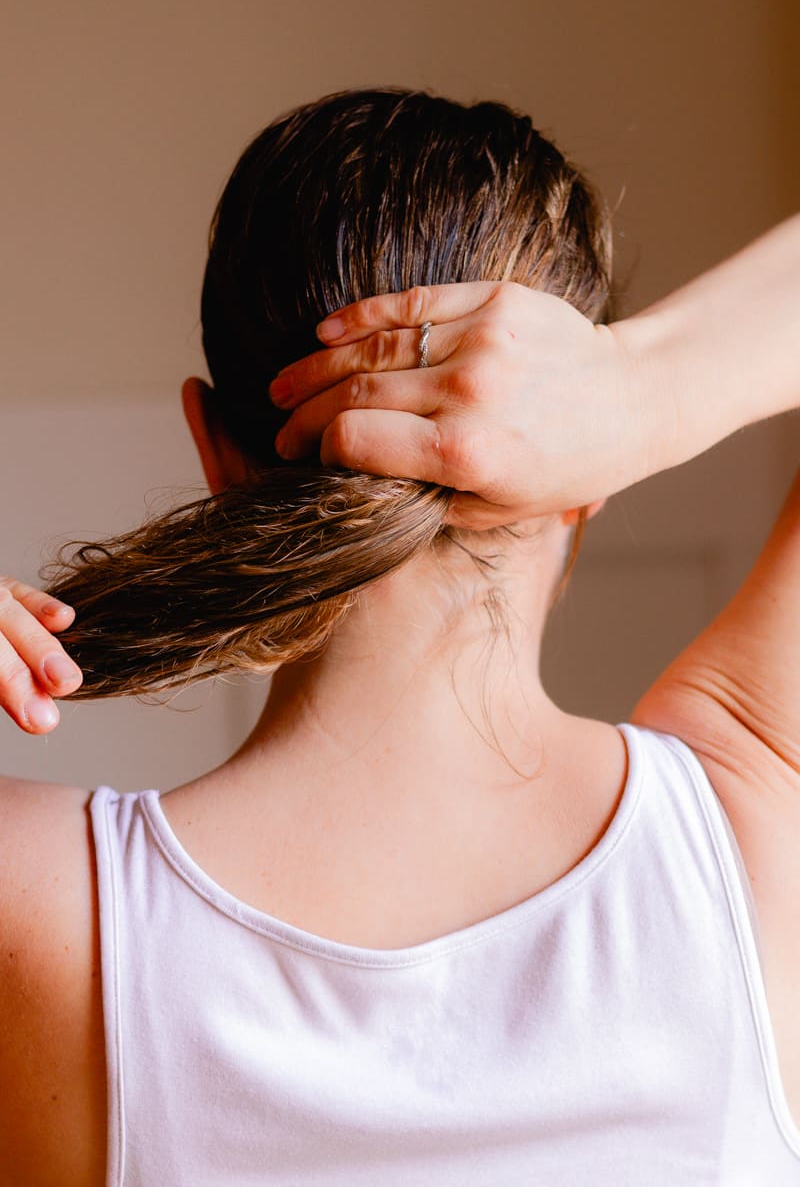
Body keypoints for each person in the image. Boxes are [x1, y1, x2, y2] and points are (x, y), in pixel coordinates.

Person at [1, 88, 799, 1185]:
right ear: (585, 478)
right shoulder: (753, 826)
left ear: (215, 449)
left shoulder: (46, 914)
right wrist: (638, 389)